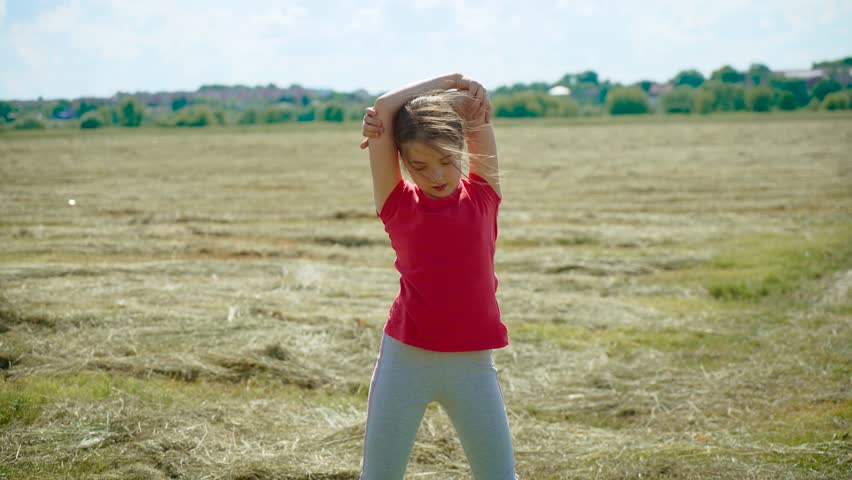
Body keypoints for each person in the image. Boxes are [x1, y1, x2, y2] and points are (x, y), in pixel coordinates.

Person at [356, 73, 519, 479]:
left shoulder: (485, 193)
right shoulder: (396, 204)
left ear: (462, 149)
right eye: (420, 166)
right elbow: (384, 104)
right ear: (402, 162)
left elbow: (472, 105)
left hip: (473, 367)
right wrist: (445, 82)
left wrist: (460, 93)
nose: (437, 175)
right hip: (404, 361)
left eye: (447, 160)